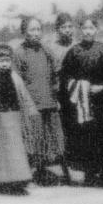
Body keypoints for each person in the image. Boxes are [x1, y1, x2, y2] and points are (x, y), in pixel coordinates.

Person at [58, 17, 103, 187]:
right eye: (85, 28)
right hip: (82, 103)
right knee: (85, 136)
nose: (88, 31)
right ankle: (89, 173)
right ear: (80, 30)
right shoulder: (74, 52)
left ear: (96, 30)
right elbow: (65, 77)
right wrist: (79, 86)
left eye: (91, 28)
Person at [13, 17, 71, 185]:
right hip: (31, 104)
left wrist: (56, 94)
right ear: (24, 32)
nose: (36, 33)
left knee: (54, 138)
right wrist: (25, 102)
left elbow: (55, 73)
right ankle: (32, 173)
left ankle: (58, 172)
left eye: (38, 29)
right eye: (32, 30)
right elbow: (17, 80)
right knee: (34, 138)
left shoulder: (46, 50)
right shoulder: (19, 52)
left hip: (49, 101)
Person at [0, 44, 41, 195]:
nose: (4, 63)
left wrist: (31, 111)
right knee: (4, 151)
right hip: (0, 119)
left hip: (16, 118)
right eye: (1, 60)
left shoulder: (16, 77)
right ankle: (3, 181)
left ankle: (20, 180)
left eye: (7, 60)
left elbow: (24, 95)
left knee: (18, 150)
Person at [47, 12, 76, 78]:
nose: (67, 30)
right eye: (63, 27)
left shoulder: (76, 45)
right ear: (57, 29)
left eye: (70, 27)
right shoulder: (52, 47)